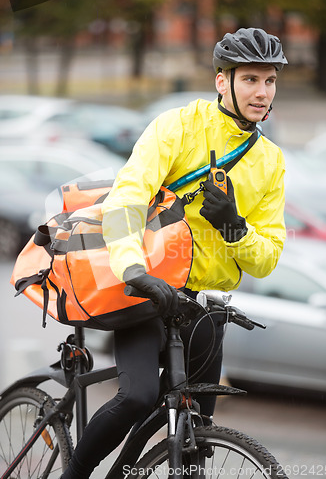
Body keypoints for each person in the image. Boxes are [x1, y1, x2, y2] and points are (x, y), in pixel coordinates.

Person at [61, 27, 288, 478]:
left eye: (270, 80)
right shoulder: (178, 126)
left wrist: (234, 227)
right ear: (223, 81)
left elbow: (266, 259)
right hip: (149, 288)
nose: (262, 92)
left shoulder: (271, 161)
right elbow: (126, 199)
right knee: (139, 396)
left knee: (194, 431)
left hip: (203, 306)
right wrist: (133, 269)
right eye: (250, 80)